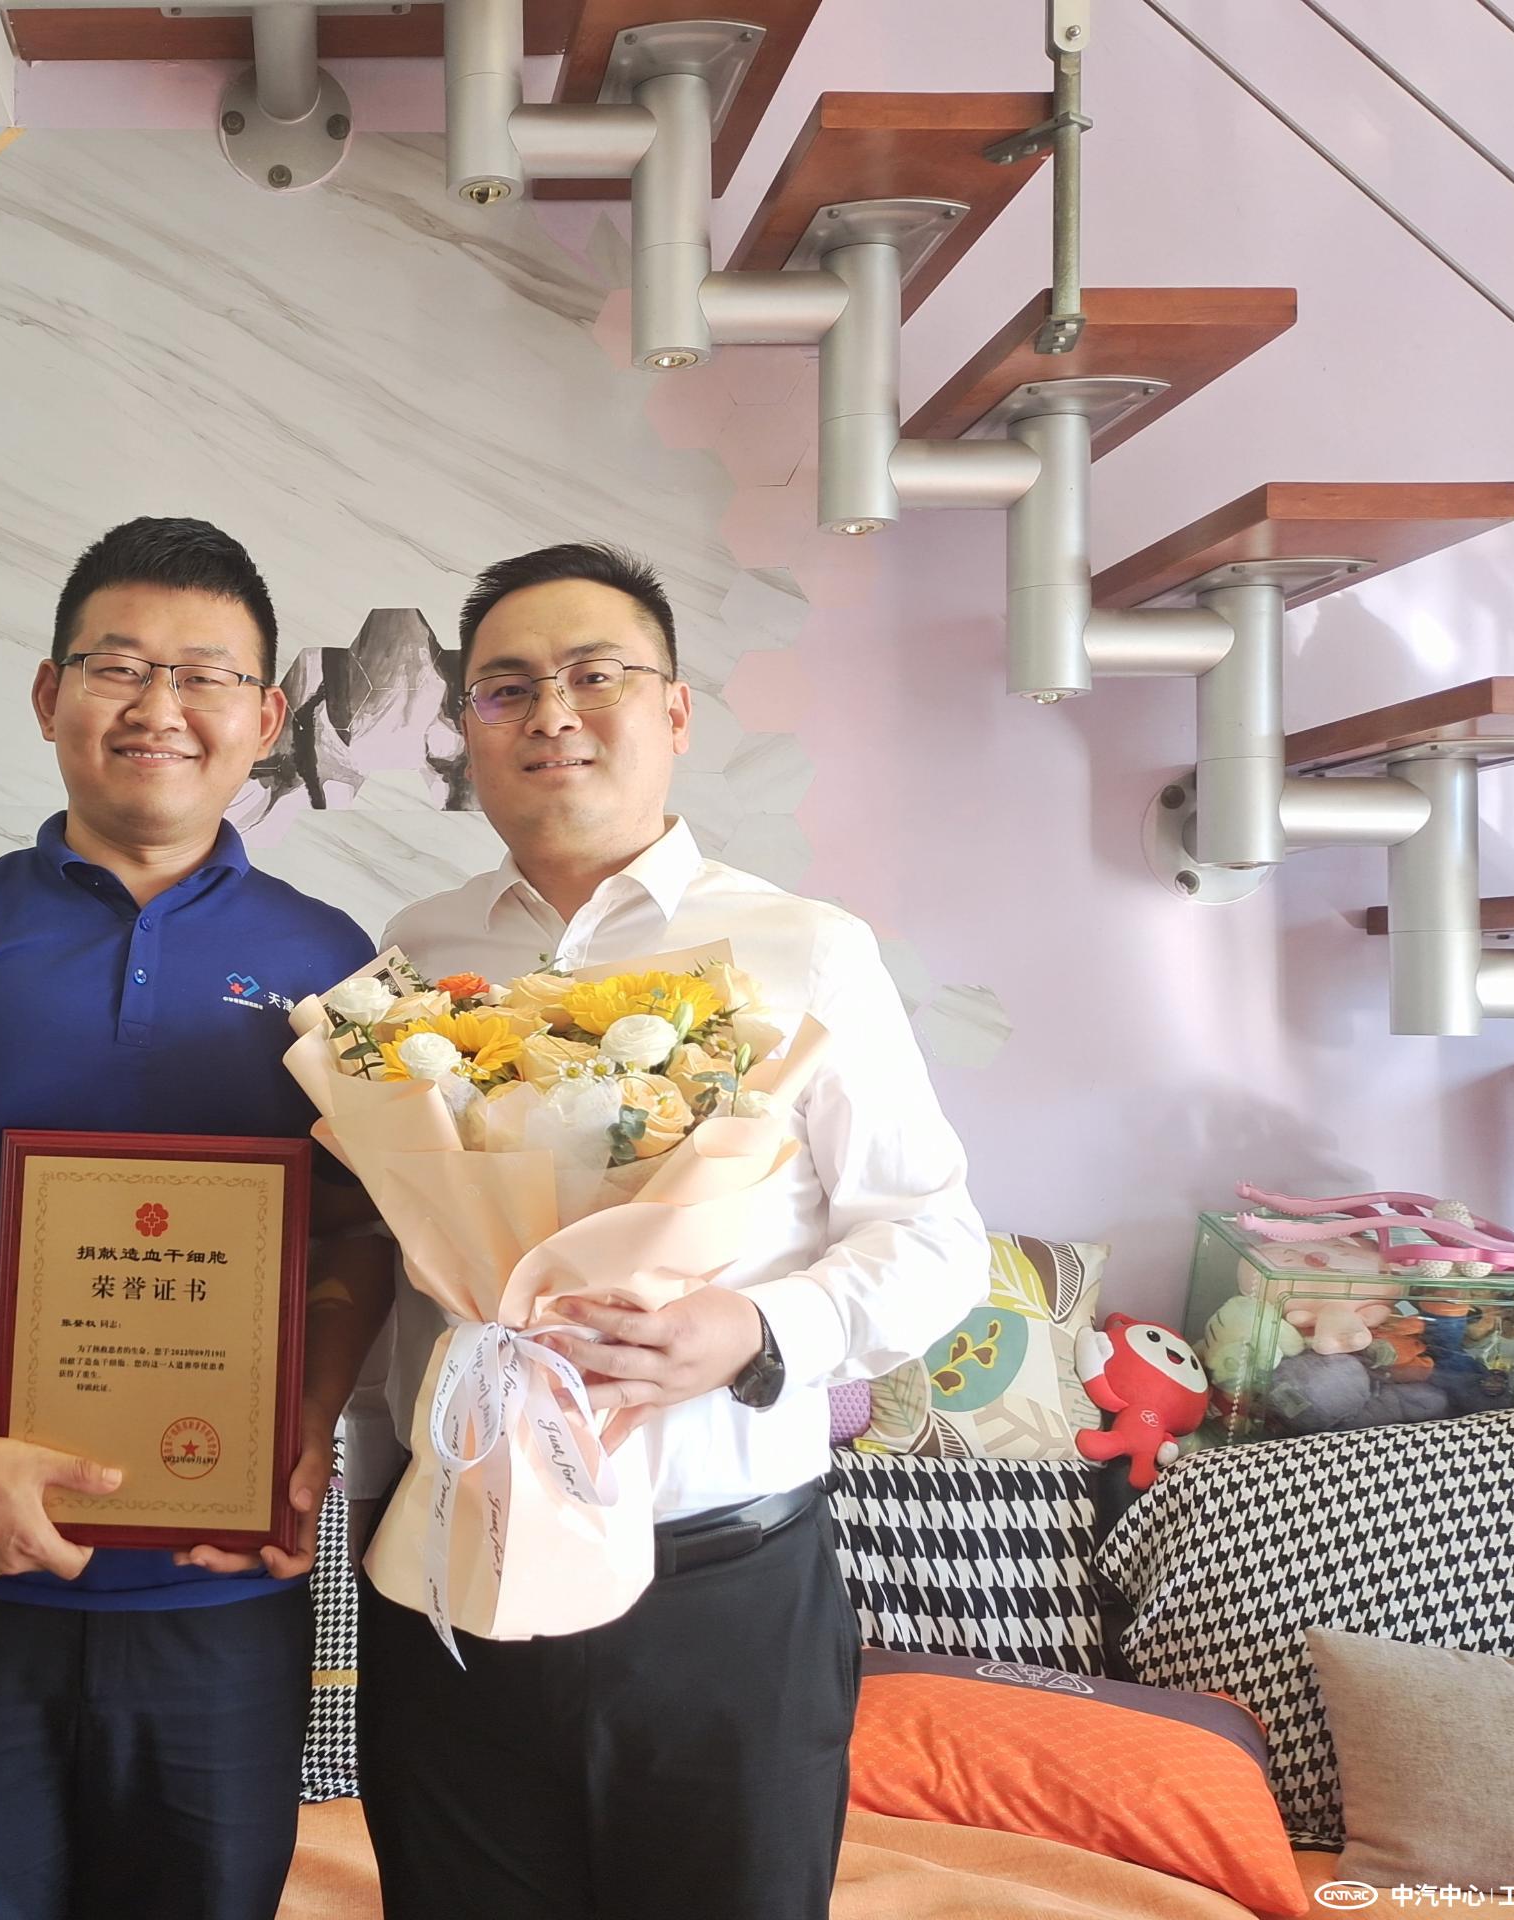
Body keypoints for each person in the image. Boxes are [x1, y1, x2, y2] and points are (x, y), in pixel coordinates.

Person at [0, 518, 396, 1920]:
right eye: (118, 666)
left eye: (206, 675)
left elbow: (356, 1233)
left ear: (265, 718)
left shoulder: (333, 960)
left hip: (221, 1596)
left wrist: (305, 1421)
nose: (160, 706)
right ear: (50, 695)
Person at [355, 542, 990, 1920]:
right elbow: (400, 1264)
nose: (554, 714)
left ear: (676, 710)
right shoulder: (419, 950)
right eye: (507, 688)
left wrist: (755, 1329)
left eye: (597, 675)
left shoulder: (805, 948)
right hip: (457, 1580)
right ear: (468, 729)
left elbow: (936, 1238)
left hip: (721, 1598)